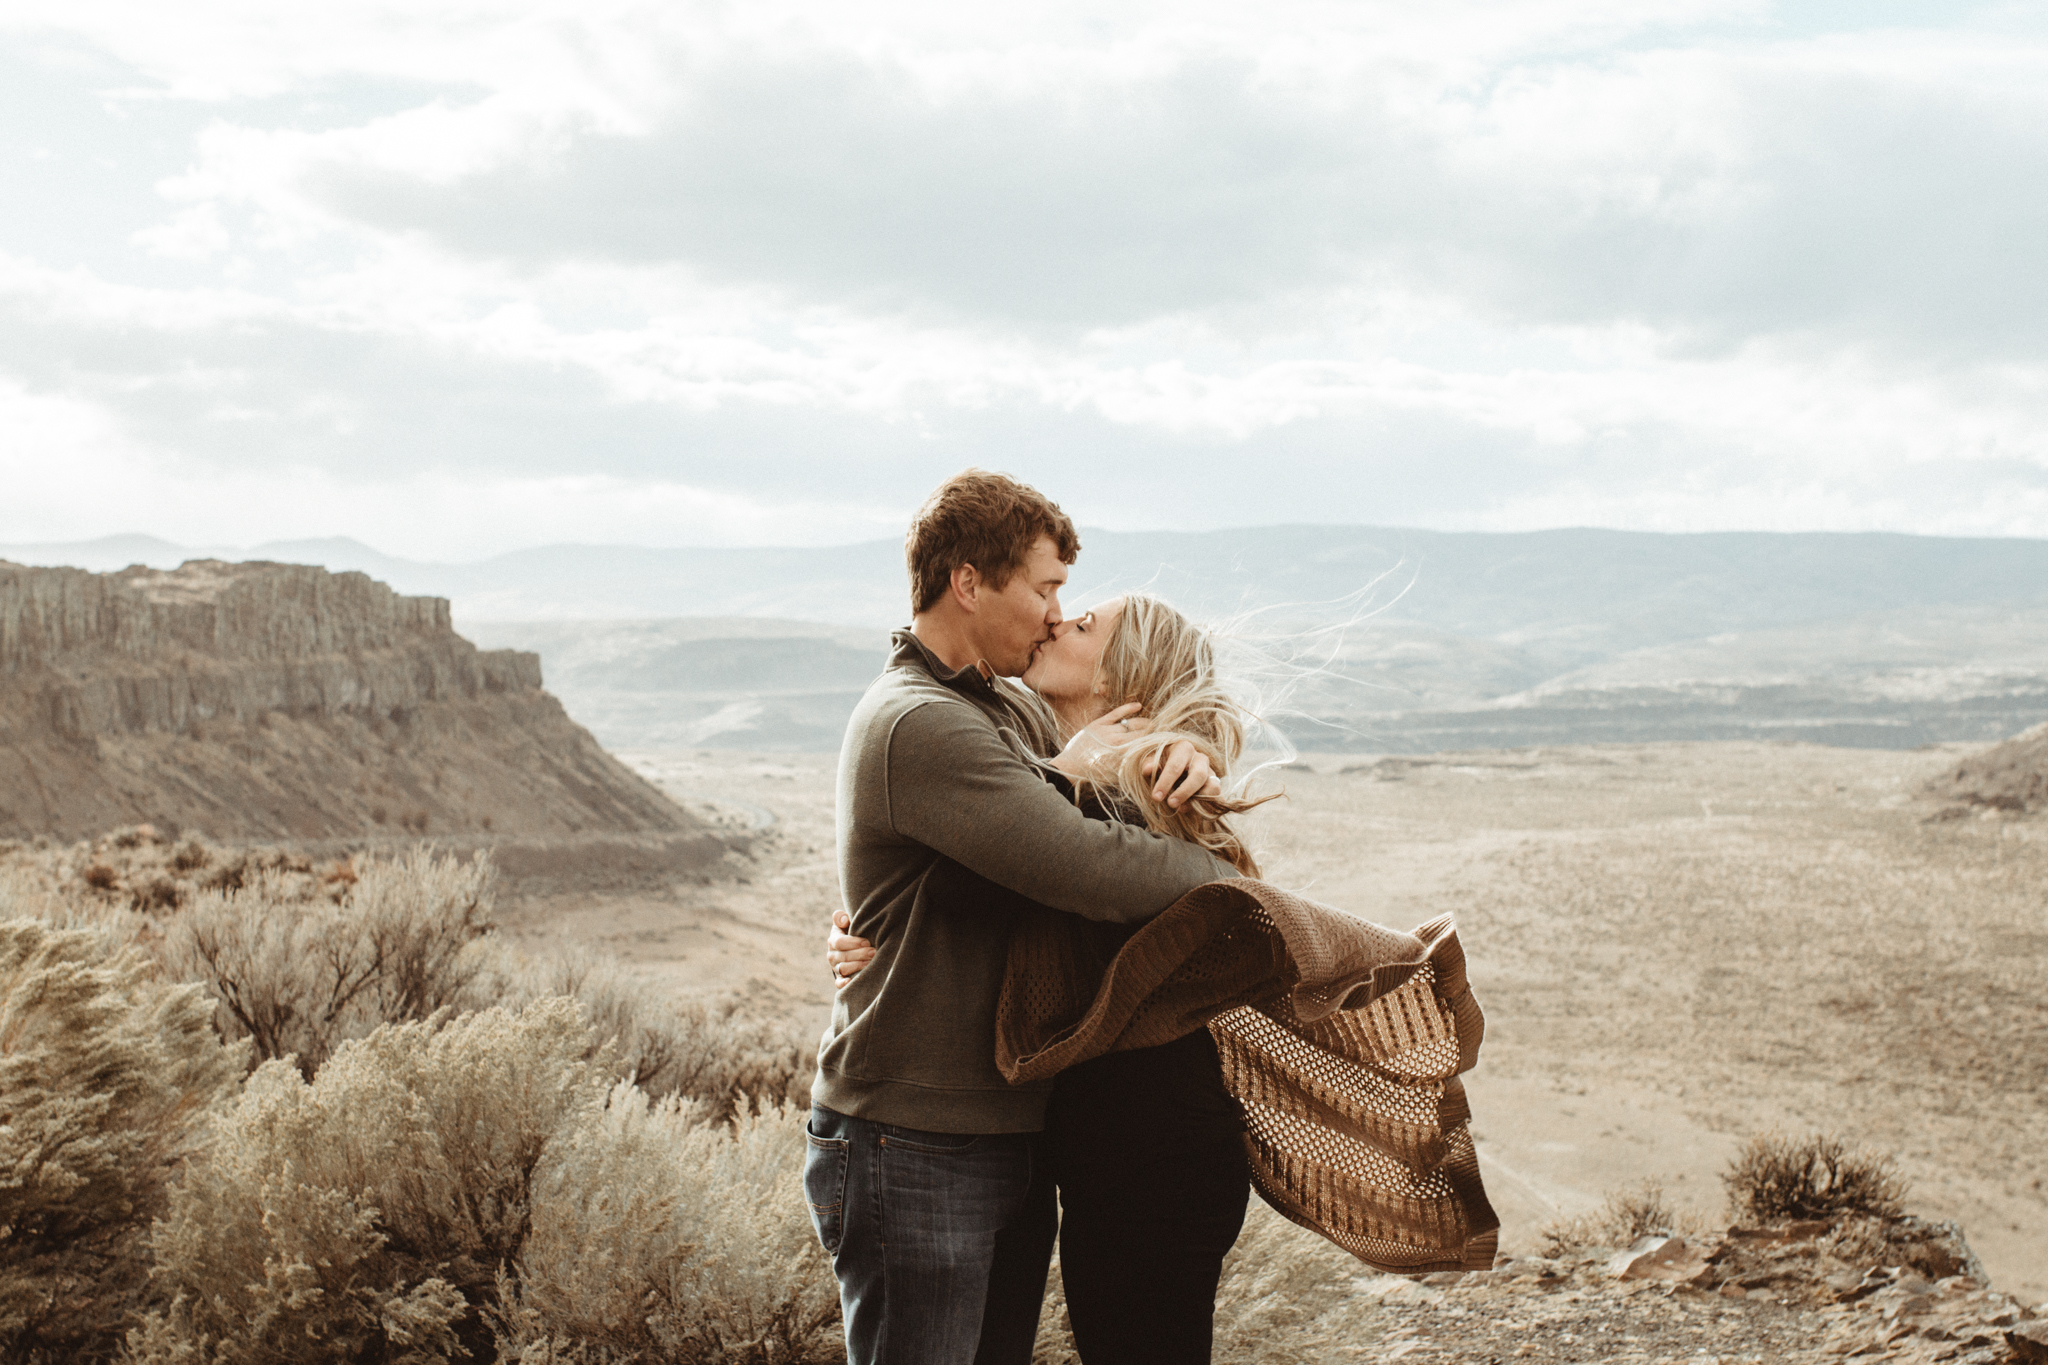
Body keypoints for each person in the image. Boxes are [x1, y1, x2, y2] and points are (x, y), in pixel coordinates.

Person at [804, 470, 1241, 1365]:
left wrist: (1188, 739)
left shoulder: (1003, 705)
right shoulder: (920, 719)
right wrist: (1220, 877)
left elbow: (1140, 727)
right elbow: (1081, 861)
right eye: (1046, 591)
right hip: (914, 1134)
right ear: (969, 582)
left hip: (1010, 1132)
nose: (1053, 614)